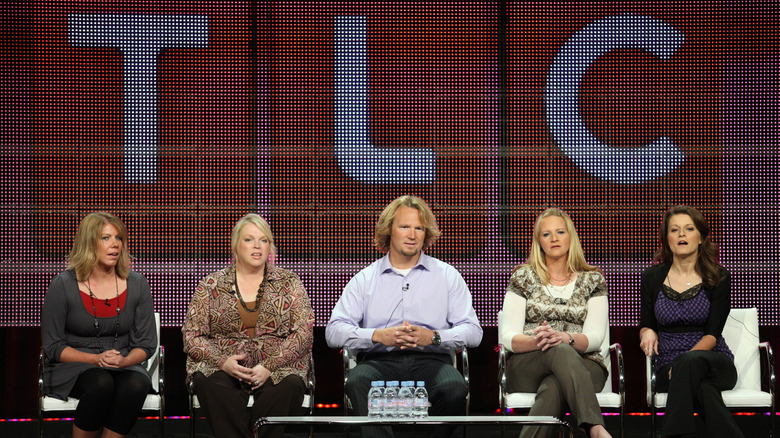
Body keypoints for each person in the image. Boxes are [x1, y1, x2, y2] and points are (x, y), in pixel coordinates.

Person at [325, 195, 482, 438]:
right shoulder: (365, 279)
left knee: (453, 387)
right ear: (389, 230)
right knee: (358, 381)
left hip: (432, 362)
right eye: (405, 227)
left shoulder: (447, 275)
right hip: (378, 362)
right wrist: (377, 336)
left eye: (419, 228)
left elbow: (473, 331)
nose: (412, 235)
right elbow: (334, 331)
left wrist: (434, 337)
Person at [183, 213, 314, 438]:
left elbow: (304, 333)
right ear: (235, 245)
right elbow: (192, 336)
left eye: (264, 240)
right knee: (213, 384)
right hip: (223, 364)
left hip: (278, 365)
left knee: (287, 386)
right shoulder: (211, 284)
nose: (257, 246)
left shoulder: (289, 281)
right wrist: (223, 363)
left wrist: (270, 366)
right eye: (249, 239)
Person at [41, 212, 157, 438]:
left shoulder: (137, 283)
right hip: (73, 365)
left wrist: (124, 361)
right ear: (88, 243)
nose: (115, 244)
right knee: (101, 384)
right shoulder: (63, 284)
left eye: (118, 238)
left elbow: (145, 343)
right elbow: (53, 346)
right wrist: (94, 359)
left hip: (121, 362)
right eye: (105, 238)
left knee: (137, 384)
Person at [499, 208, 612, 438]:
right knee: (557, 349)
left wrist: (566, 338)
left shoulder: (593, 279)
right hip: (528, 363)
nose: (554, 239)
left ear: (570, 236)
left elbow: (595, 339)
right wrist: (540, 340)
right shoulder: (523, 276)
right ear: (539, 241)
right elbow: (508, 337)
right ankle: (595, 428)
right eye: (546, 234)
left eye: (560, 232)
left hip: (585, 365)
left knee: (554, 385)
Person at [639, 205, 743, 438]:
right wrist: (646, 332)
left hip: (714, 362)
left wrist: (684, 363)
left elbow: (712, 334)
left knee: (690, 365)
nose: (681, 234)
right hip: (668, 367)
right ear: (667, 239)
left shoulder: (719, 277)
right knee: (704, 390)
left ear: (701, 237)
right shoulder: (652, 277)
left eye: (689, 229)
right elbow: (646, 322)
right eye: (674, 230)